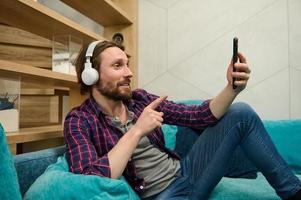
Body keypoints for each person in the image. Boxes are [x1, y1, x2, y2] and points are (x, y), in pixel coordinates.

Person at [64, 40, 301, 200]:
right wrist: (136, 131)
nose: (129, 73)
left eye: (127, 64)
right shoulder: (79, 121)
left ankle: (294, 192)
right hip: (164, 195)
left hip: (186, 172)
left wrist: (232, 87)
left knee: (241, 113)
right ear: (91, 75)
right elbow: (91, 180)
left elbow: (197, 116)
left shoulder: (139, 100)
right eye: (118, 66)